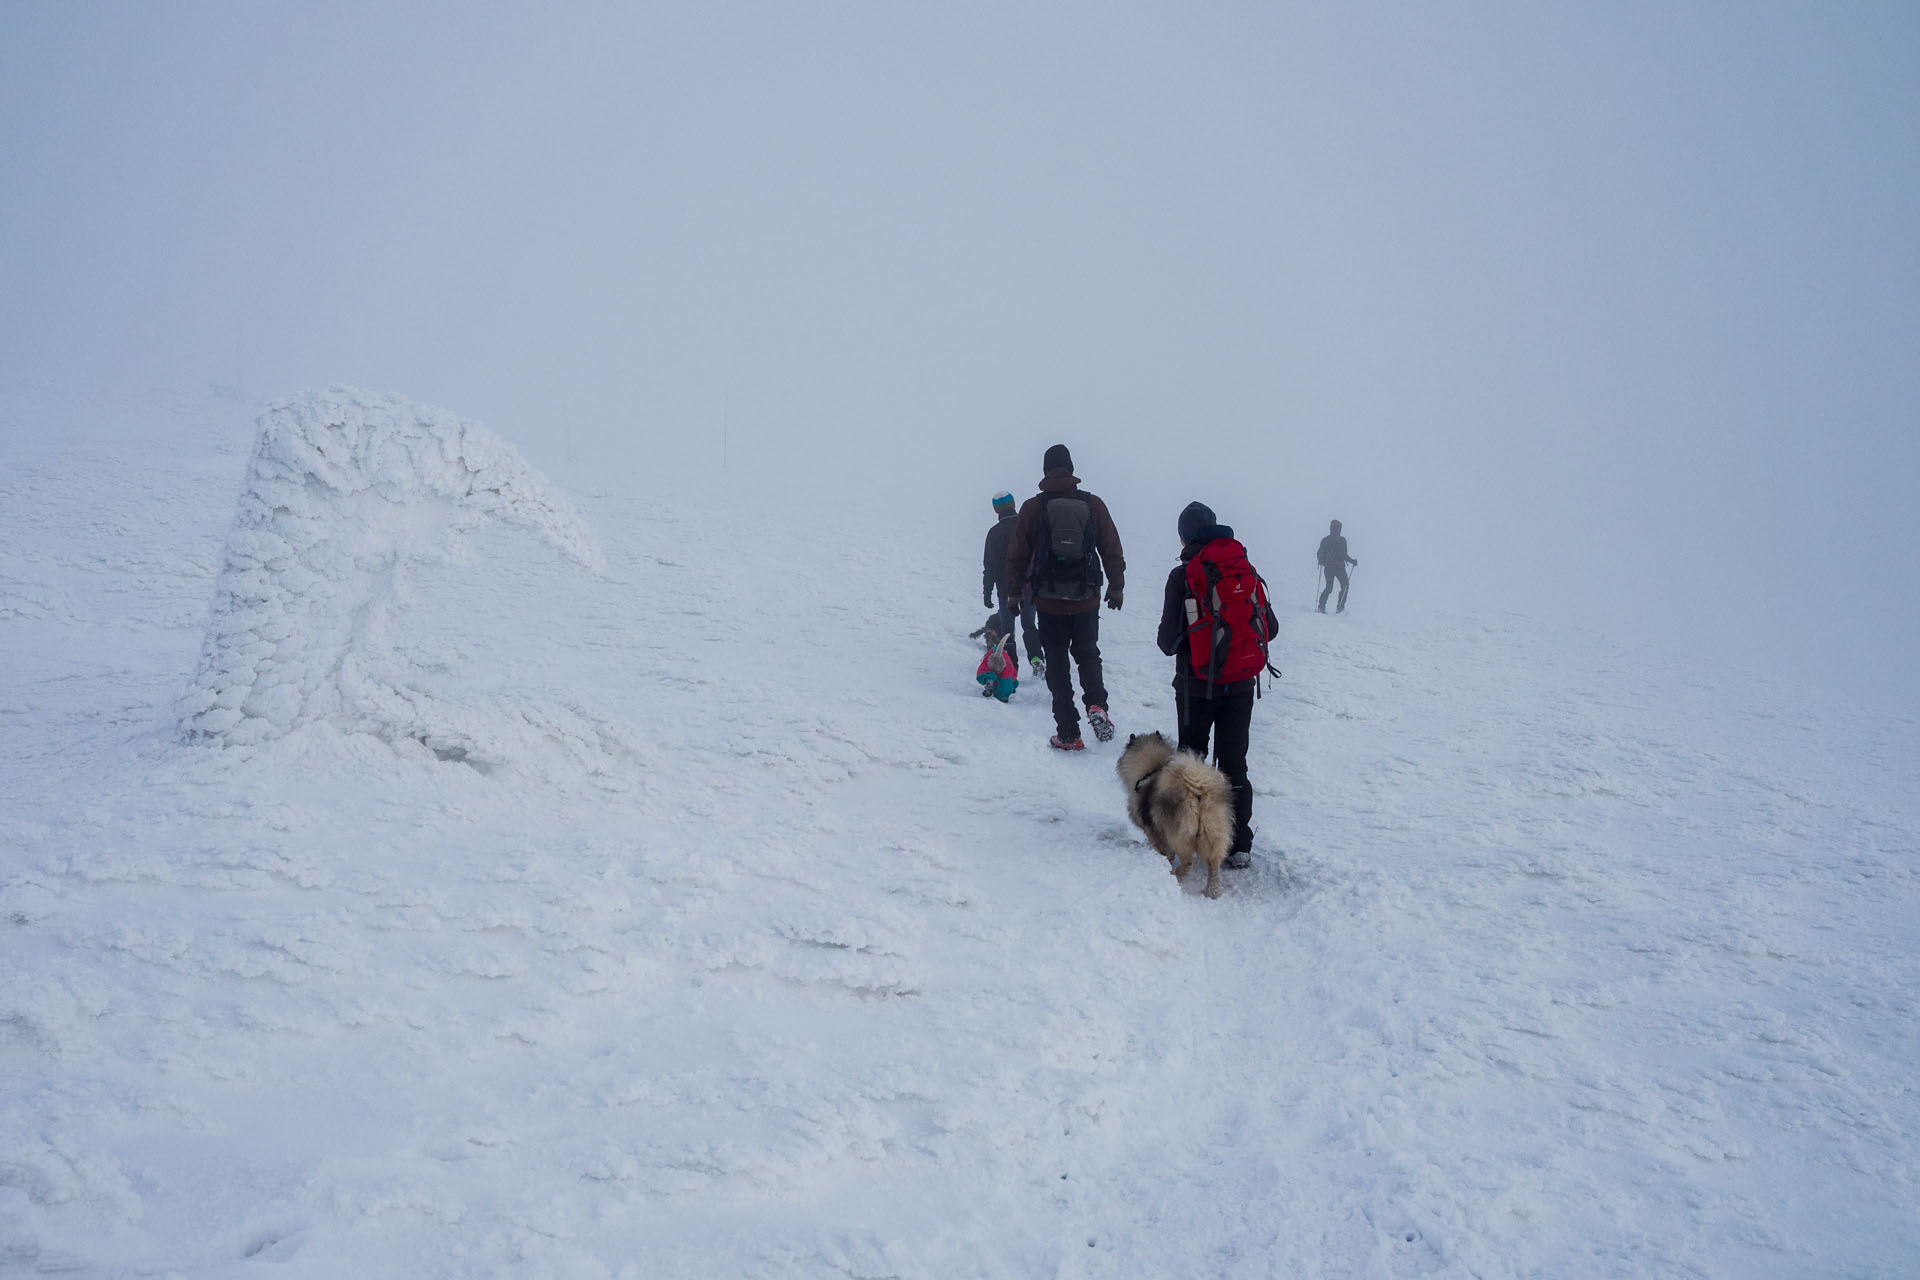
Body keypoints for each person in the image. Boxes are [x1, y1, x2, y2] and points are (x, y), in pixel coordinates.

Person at [1158, 501, 1278, 869]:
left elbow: (1167, 641)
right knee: (1233, 763)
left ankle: (1184, 840)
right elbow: (1269, 628)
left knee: (1191, 763)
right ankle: (1238, 844)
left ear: (1185, 536)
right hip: (1241, 685)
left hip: (1197, 687)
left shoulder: (1183, 577)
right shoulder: (1244, 568)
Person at [1004, 444, 1126, 750]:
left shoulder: (1033, 507)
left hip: (1047, 602)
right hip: (1086, 599)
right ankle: (1097, 706)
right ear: (1071, 469)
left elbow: (1017, 556)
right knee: (1087, 653)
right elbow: (1111, 547)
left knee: (1057, 663)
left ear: (1045, 471)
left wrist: (1014, 594)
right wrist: (1116, 586)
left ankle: (1069, 733)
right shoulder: (1092, 503)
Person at [981, 490, 1043, 678]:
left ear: (996, 510)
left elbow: (989, 566)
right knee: (1029, 625)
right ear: (1014, 505)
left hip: (1005, 591)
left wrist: (987, 592)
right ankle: (1037, 661)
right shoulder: (1027, 527)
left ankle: (1011, 667)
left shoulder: (994, 533)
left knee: (1008, 630)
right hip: (1028, 588)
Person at [1316, 519, 1358, 613]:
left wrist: (1322, 561)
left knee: (1329, 587)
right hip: (1339, 568)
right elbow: (1343, 555)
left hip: (1328, 568)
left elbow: (1319, 553)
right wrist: (1352, 561)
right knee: (1345, 585)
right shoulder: (1341, 540)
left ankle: (1321, 606)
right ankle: (1340, 607)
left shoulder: (1325, 540)